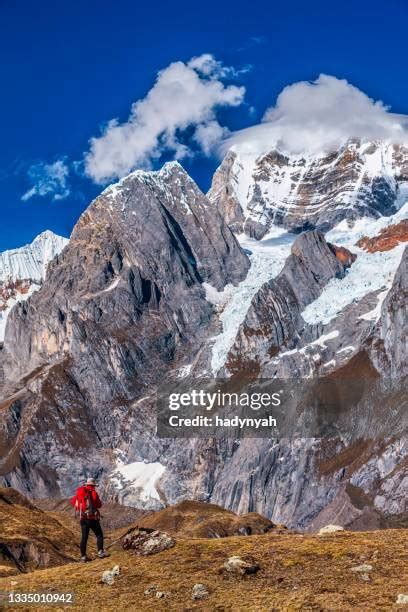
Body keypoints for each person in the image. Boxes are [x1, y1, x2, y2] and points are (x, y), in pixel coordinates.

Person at [70, 477, 109, 562]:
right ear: (93, 485)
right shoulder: (94, 493)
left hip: (83, 518)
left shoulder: (80, 492)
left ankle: (83, 557)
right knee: (99, 534)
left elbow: (73, 502)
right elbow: (99, 505)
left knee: (84, 538)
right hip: (92, 519)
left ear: (86, 485)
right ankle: (100, 552)